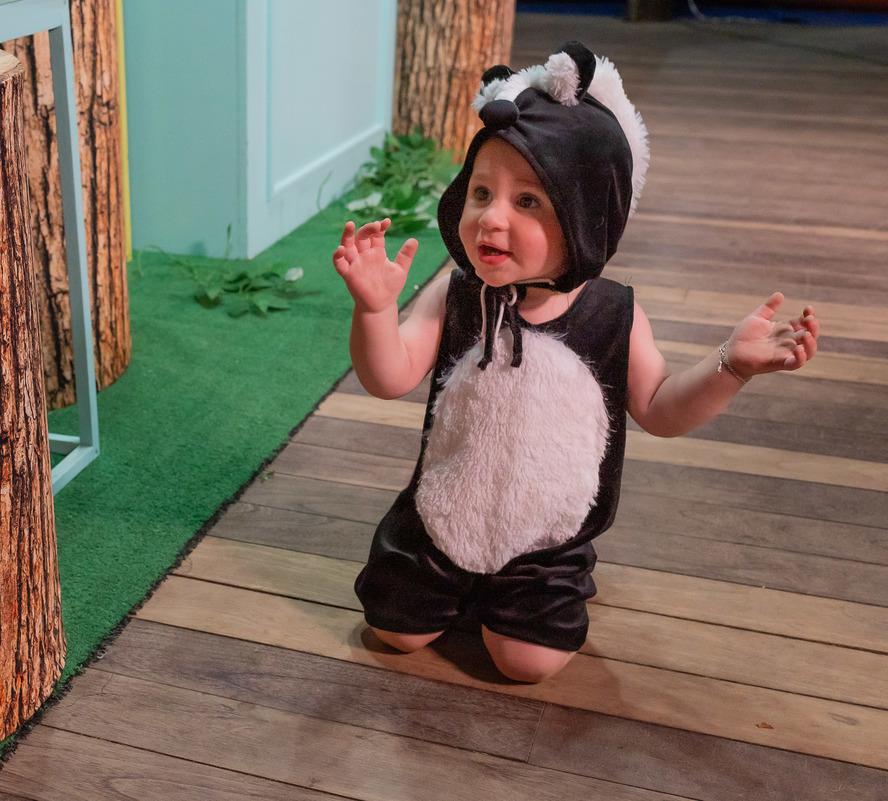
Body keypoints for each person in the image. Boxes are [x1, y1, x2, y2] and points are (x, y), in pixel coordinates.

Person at [332, 42, 820, 684]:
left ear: (589, 216)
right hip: (439, 520)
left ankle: (509, 595)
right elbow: (387, 377)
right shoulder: (456, 291)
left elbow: (660, 411)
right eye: (481, 192)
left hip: (544, 544)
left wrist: (731, 365)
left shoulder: (614, 315)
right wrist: (374, 312)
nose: (490, 218)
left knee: (528, 663)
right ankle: (451, 586)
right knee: (393, 633)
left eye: (528, 201)